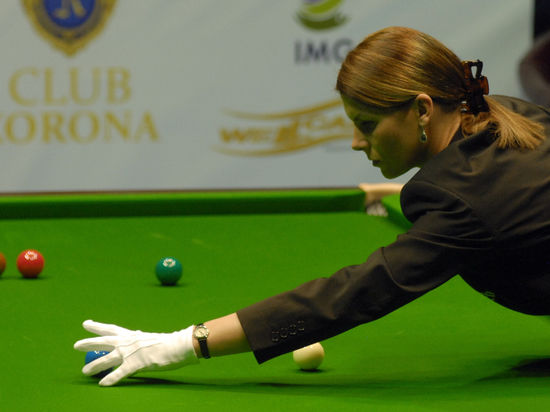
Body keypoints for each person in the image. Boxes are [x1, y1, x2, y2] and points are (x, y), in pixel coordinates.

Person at [74, 26, 550, 386]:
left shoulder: (464, 199)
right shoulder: (506, 114)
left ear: (423, 109)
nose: (356, 142)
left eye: (367, 124)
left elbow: (355, 293)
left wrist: (187, 343)